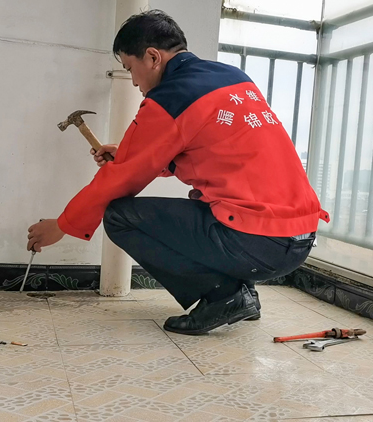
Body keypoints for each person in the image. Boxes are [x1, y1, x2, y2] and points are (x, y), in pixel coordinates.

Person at [26, 10, 329, 335]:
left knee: (120, 217)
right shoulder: (233, 77)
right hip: (298, 237)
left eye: (130, 69)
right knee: (212, 203)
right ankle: (244, 294)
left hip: (257, 241)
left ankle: (225, 296)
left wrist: (63, 224)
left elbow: (119, 179)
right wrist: (130, 153)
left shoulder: (170, 97)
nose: (135, 82)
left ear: (153, 57)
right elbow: (212, 154)